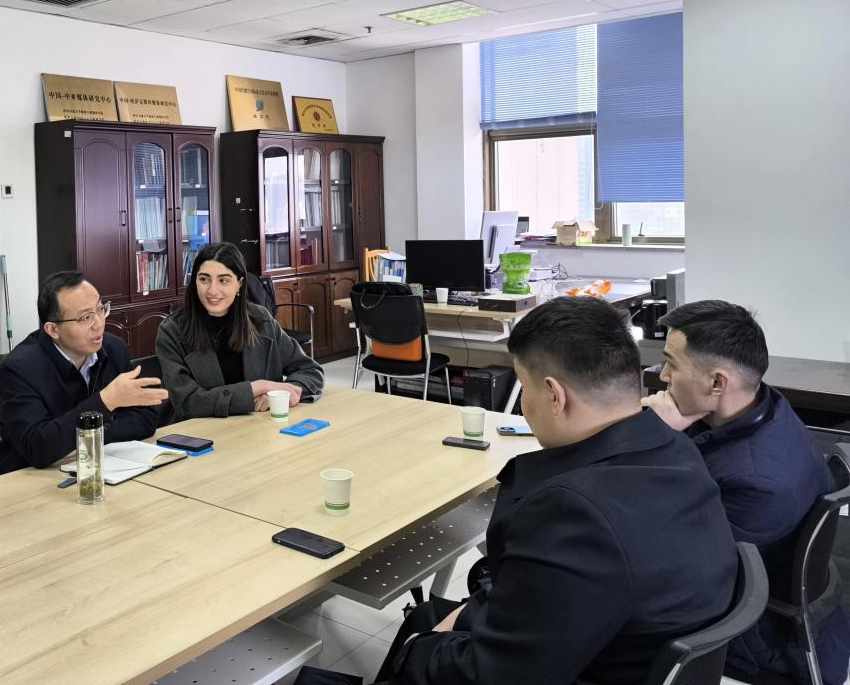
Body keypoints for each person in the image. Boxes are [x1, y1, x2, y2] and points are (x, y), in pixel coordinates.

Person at [372, 296, 737, 685]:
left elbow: (495, 675)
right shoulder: (677, 449)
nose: (523, 404)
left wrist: (417, 649)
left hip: (588, 665)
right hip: (615, 640)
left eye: (524, 387)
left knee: (419, 641)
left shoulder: (574, 512)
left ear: (554, 395)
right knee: (433, 617)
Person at [642, 299, 848, 682]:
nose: (663, 376)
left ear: (718, 383)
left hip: (756, 637)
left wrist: (660, 442)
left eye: (671, 363)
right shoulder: (764, 406)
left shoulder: (758, 482)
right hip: (762, 585)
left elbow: (675, 562)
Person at [0, 271, 167, 475]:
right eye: (86, 318)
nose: (99, 324)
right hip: (26, 478)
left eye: (100, 309)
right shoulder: (20, 369)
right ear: (53, 330)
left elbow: (145, 419)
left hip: (99, 466)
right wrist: (106, 402)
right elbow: (37, 446)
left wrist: (91, 436)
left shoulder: (114, 349)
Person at [157, 242, 324, 420]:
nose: (212, 290)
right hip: (200, 432)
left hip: (261, 427)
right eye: (204, 279)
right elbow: (187, 403)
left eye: (223, 280)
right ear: (195, 282)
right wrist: (257, 387)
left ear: (240, 284)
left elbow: (311, 371)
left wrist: (283, 394)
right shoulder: (172, 330)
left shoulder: (261, 319)